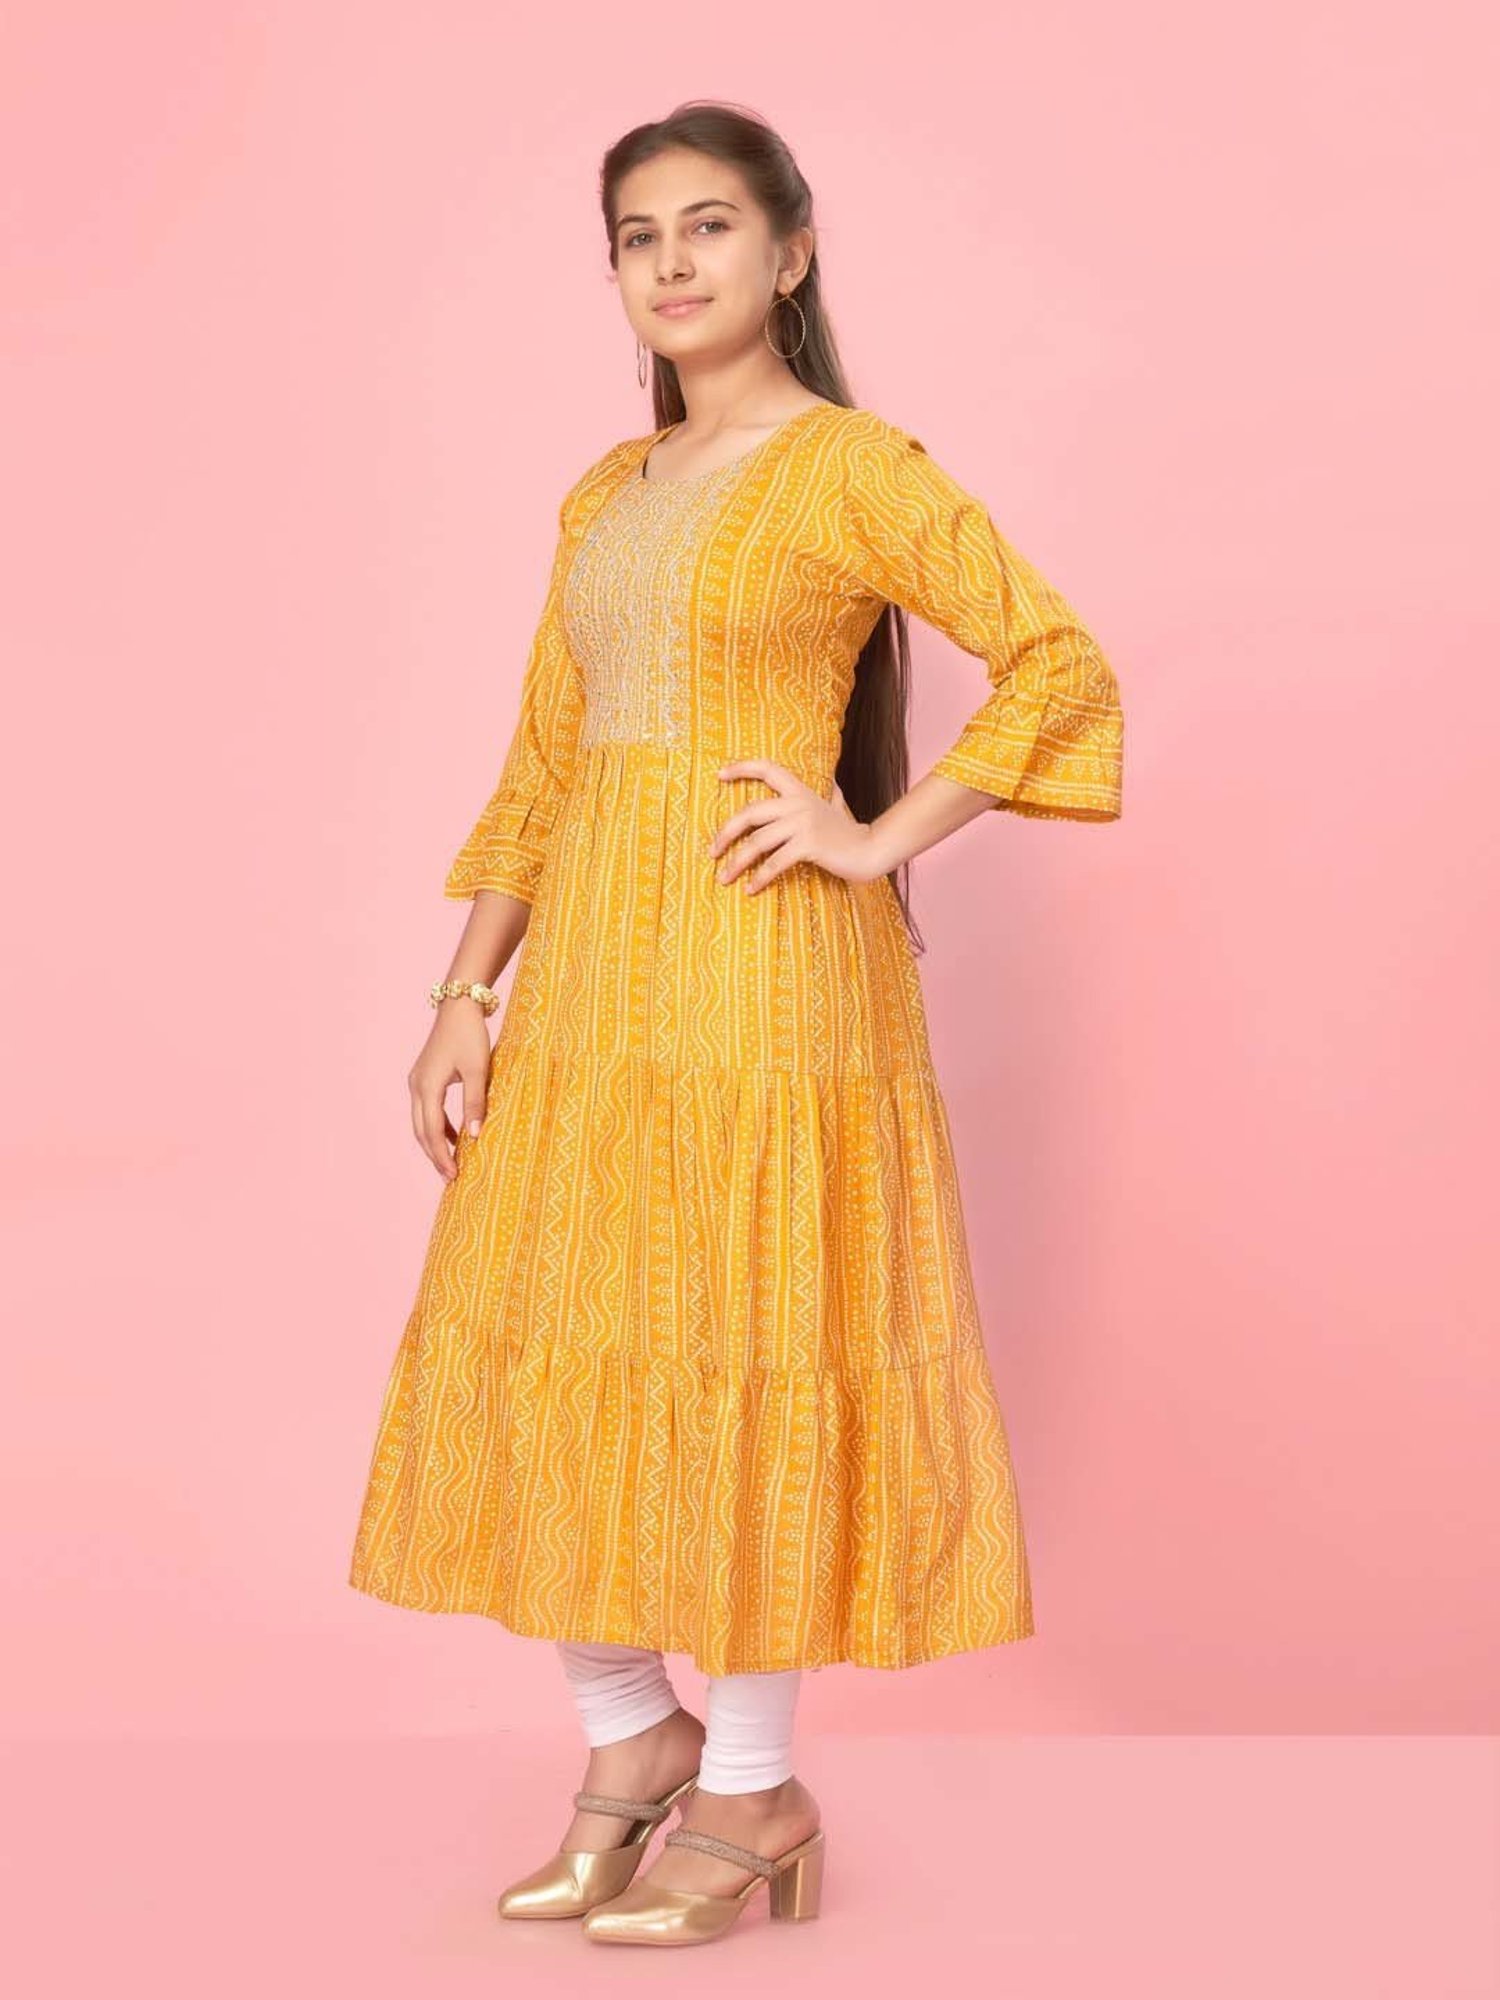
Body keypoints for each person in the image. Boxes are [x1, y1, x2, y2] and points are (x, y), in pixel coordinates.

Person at [347, 100, 1124, 1950]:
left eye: (709, 225)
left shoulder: (851, 467)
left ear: (791, 254)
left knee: (750, 1336)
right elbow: (544, 765)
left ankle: (756, 1782)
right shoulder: (605, 495)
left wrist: (875, 835)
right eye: (639, 236)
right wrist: (463, 993)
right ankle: (635, 1739)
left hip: (772, 983)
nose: (673, 262)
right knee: (560, 1328)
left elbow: (1057, 661)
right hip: (593, 993)